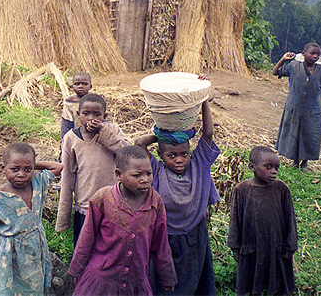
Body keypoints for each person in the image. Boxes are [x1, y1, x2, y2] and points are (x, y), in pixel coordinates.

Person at [136, 86, 220, 295]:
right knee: (165, 279)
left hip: (195, 234)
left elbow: (208, 132)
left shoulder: (199, 164)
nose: (179, 159)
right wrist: (164, 135)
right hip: (166, 237)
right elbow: (139, 143)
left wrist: (203, 99)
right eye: (171, 155)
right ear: (161, 156)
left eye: (184, 153)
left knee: (194, 277)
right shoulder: (155, 170)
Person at [68, 145, 178, 294]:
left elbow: (161, 245)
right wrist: (76, 270)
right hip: (101, 279)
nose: (145, 180)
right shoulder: (103, 199)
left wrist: (167, 276)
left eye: (148, 173)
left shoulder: (155, 203)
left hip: (136, 281)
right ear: (118, 174)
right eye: (137, 175)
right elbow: (86, 238)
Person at [0, 142, 63, 296]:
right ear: (3, 168)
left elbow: (58, 167)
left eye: (27, 169)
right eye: (15, 169)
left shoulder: (37, 182)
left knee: (33, 283)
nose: (21, 174)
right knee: (9, 285)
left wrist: (32, 164)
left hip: (34, 245)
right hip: (9, 251)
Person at [56, 93, 131, 246]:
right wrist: (63, 219)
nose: (91, 118)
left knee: (111, 250)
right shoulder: (71, 138)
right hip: (85, 205)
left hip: (113, 204)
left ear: (105, 116)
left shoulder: (112, 130)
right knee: (85, 250)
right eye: (86, 113)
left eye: (97, 114)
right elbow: (67, 178)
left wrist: (104, 133)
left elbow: (128, 153)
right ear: (78, 115)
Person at [227, 146, 298, 295]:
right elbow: (235, 220)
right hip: (251, 245)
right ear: (252, 167)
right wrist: (235, 246)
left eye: (276, 168)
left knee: (277, 282)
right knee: (252, 282)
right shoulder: (242, 190)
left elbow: (290, 220)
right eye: (268, 167)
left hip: (275, 246)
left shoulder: (281, 189)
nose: (274, 171)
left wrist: (289, 247)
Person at [273, 42, 321, 171]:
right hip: (294, 108)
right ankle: (295, 161)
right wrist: (283, 59)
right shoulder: (293, 66)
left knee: (309, 135)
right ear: (303, 54)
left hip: (313, 111)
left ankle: (305, 163)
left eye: (318, 54)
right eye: (312, 53)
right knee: (294, 133)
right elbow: (275, 72)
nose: (315, 56)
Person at [61, 72, 92, 139]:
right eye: (77, 84)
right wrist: (64, 141)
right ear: (72, 86)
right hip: (75, 138)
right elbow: (66, 124)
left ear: (90, 86)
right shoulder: (69, 103)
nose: (80, 86)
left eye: (84, 84)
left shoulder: (94, 101)